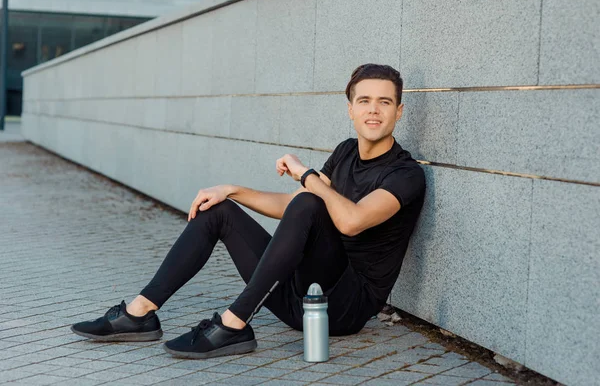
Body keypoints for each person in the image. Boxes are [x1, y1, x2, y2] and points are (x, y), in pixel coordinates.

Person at [71, 63, 426, 359]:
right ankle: (139, 314)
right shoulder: (346, 151)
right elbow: (296, 208)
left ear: (399, 110)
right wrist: (233, 190)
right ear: (350, 109)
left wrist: (306, 175)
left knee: (309, 199)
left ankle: (233, 325)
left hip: (343, 308)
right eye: (364, 101)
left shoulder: (405, 174)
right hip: (299, 298)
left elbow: (351, 221)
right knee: (219, 209)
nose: (373, 110)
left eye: (384, 102)